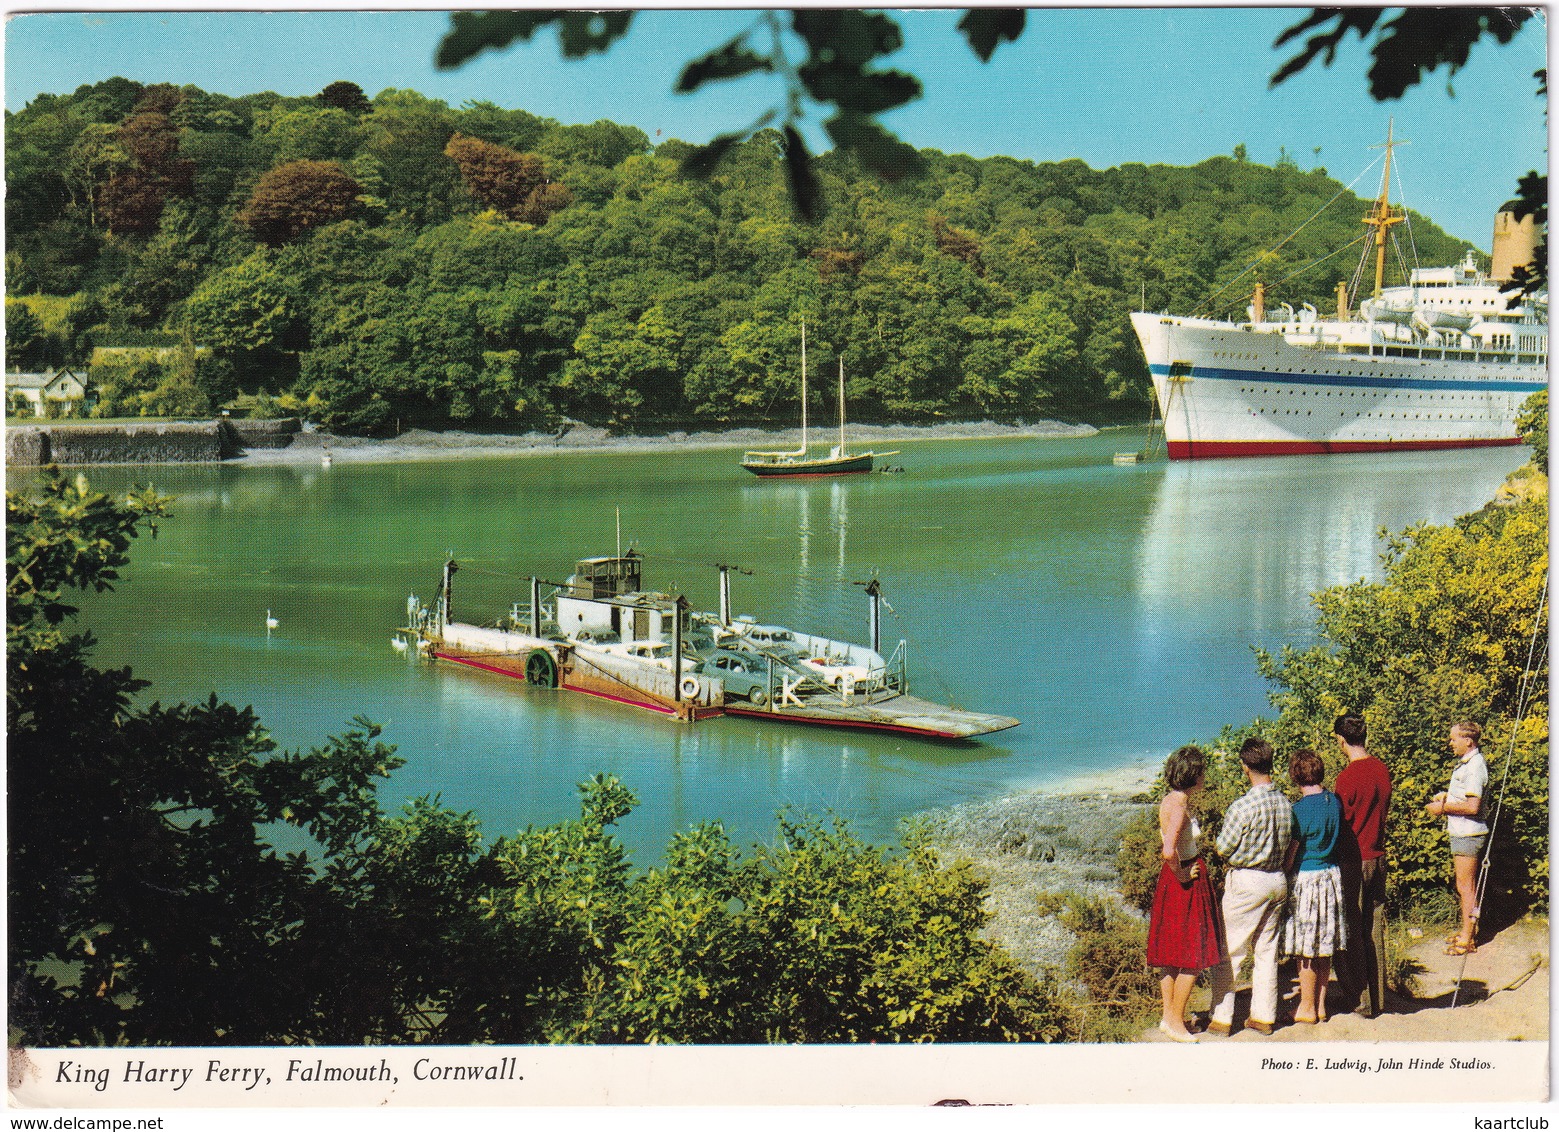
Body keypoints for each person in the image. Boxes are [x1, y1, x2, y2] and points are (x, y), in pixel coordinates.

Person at [1207, 738, 1292, 1036]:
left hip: (1248, 879)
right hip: (1277, 879)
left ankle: (1221, 1018)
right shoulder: (1284, 802)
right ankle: (1263, 1016)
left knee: (1230, 950)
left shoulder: (1243, 806)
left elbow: (1223, 847)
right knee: (1267, 951)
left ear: (1245, 766)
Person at [1145, 745, 1225, 1043]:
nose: (1205, 776)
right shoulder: (1178, 806)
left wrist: (1175, 872)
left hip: (1173, 881)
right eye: (1202, 772)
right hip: (1184, 880)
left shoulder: (1169, 800)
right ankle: (1176, 1021)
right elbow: (1168, 851)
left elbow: (1168, 845)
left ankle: (1169, 1017)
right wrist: (1182, 872)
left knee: (1171, 953)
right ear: (1193, 775)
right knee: (1193, 954)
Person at [1332, 712, 1392, 1018]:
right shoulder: (1382, 769)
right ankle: (1378, 998)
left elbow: (1341, 825)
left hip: (1356, 860)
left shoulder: (1346, 778)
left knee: (1353, 932)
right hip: (1379, 857)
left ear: (1341, 739)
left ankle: (1360, 998)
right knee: (1374, 930)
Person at [1282, 750, 1347, 1024]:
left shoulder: (1298, 811)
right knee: (1325, 943)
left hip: (1307, 878)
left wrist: (1282, 873)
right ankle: (1320, 1005)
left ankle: (1306, 1007)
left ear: (1296, 776)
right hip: (1332, 875)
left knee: (1306, 947)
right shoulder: (1335, 802)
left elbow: (1292, 854)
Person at [1427, 721, 1489, 955]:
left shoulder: (1474, 766)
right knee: (1464, 886)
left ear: (1468, 741)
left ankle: (1468, 939)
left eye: (1453, 739)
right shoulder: (1468, 764)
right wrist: (1448, 796)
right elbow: (1465, 797)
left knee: (1466, 887)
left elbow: (1473, 806)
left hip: (1468, 832)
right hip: (1463, 832)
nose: (1450, 743)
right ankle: (1468, 931)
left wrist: (1442, 808)